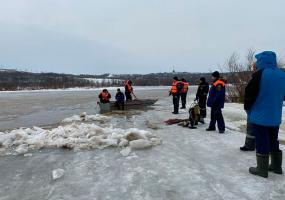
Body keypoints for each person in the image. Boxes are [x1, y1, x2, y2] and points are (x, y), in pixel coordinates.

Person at [246, 51, 285, 178]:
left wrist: (248, 108)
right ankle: (276, 166)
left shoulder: (259, 74)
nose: (255, 64)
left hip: (260, 115)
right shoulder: (282, 74)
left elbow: (249, 93)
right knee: (273, 139)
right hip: (275, 114)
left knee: (262, 139)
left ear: (261, 61)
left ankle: (262, 169)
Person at [240, 62, 259, 151]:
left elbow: (251, 93)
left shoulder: (257, 77)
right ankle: (251, 145)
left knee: (252, 127)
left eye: (254, 67)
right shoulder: (256, 76)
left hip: (253, 107)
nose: (252, 69)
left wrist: (247, 106)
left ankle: (250, 145)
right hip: (253, 106)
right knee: (252, 127)